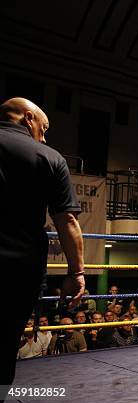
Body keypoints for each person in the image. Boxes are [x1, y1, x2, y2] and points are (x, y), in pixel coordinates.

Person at [0, 98, 85, 387]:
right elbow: (67, 221)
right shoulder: (48, 157)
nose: (44, 136)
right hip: (15, 271)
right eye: (43, 127)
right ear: (28, 118)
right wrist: (76, 273)